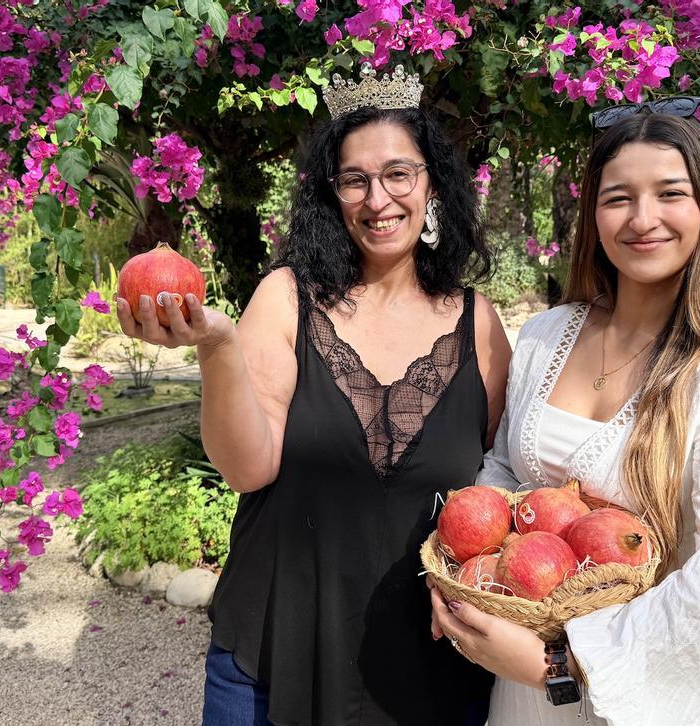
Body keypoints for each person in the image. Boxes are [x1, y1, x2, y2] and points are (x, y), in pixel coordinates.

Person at [115, 65, 512, 725]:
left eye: (398, 174)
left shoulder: (480, 325)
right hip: (278, 651)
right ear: (333, 195)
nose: (377, 199)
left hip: (435, 668)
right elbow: (247, 469)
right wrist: (216, 346)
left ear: (432, 184)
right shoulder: (286, 299)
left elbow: (497, 487)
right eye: (354, 179)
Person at [429, 108, 700, 726]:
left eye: (670, 194)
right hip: (518, 692)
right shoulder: (547, 335)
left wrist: (561, 662)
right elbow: (502, 467)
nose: (642, 219)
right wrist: (468, 570)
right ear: (593, 215)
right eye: (618, 197)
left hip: (634, 694)